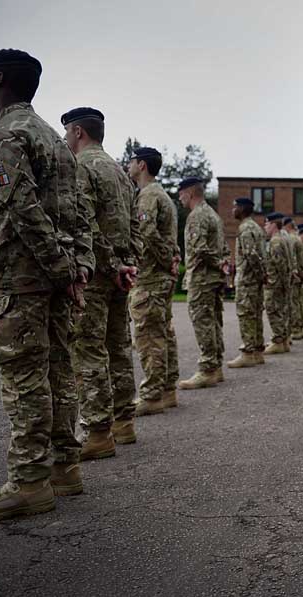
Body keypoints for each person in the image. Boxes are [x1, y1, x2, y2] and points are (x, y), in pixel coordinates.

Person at [0, 49, 94, 522]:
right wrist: (77, 267)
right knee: (58, 371)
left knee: (24, 379)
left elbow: (20, 207)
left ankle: (29, 482)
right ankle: (65, 468)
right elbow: (78, 212)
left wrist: (61, 267)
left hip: (18, 279)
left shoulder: (4, 133)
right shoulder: (54, 140)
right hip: (52, 279)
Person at [62, 107, 140, 457]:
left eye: (67, 132)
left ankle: (97, 433)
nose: (66, 139)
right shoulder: (121, 173)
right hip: (119, 273)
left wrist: (109, 266)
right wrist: (128, 264)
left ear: (78, 132)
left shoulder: (82, 166)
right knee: (119, 347)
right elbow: (134, 227)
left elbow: (86, 223)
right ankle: (124, 423)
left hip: (97, 273)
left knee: (88, 349)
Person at [127, 147, 180, 416]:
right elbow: (171, 236)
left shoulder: (148, 196)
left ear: (142, 165)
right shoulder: (164, 196)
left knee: (149, 336)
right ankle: (168, 388)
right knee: (163, 332)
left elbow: (146, 232)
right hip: (161, 276)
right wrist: (172, 260)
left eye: (132, 161)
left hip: (150, 277)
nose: (129, 164)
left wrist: (163, 260)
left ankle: (152, 394)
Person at [178, 177, 228, 389]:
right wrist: (222, 265)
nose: (179, 199)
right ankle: (215, 366)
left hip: (202, 278)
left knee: (203, 322)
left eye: (181, 194)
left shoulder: (197, 216)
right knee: (213, 321)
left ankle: (208, 368)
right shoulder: (213, 215)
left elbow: (199, 250)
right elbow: (223, 247)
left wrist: (216, 264)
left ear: (189, 193)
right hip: (213, 278)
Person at [227, 197, 267, 368]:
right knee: (256, 315)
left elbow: (251, 256)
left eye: (234, 207)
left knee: (246, 316)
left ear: (242, 209)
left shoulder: (245, 228)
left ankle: (248, 353)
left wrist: (258, 275)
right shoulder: (256, 227)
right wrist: (262, 276)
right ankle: (257, 352)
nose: (232, 210)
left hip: (248, 281)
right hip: (255, 281)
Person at [262, 212, 292, 354]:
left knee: (273, 310)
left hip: (274, 283)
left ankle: (278, 340)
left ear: (274, 225)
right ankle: (283, 340)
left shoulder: (276, 241)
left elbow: (279, 264)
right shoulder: (281, 239)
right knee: (280, 311)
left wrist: (280, 283)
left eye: (267, 224)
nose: (265, 227)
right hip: (278, 282)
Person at [282, 217, 303, 340]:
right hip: (300, 274)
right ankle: (299, 327)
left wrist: (294, 273)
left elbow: (293, 259)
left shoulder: (291, 238)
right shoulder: (297, 238)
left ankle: (295, 329)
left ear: (287, 226)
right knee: (298, 302)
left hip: (294, 275)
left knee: (293, 303)